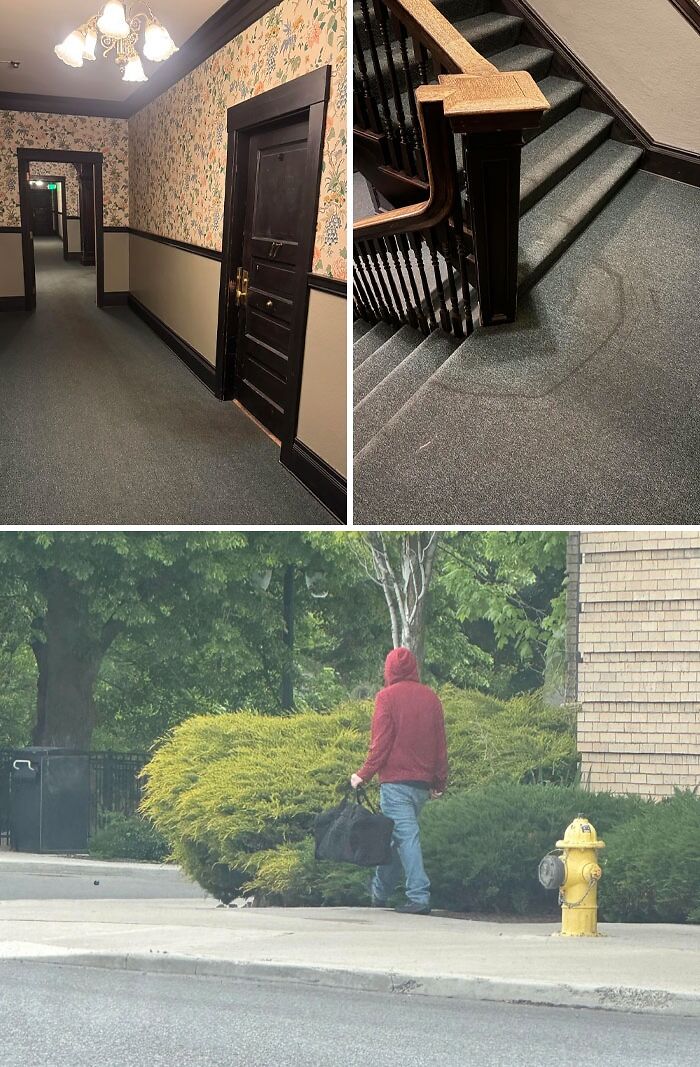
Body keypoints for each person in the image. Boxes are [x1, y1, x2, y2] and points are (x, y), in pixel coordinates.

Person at [350, 646, 448, 915]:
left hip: (394, 783)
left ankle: (419, 896)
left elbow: (380, 744)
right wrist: (439, 782)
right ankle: (379, 893)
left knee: (406, 837)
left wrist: (363, 774)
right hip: (421, 785)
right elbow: (440, 745)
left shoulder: (386, 698)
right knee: (395, 839)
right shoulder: (431, 698)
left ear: (389, 669)